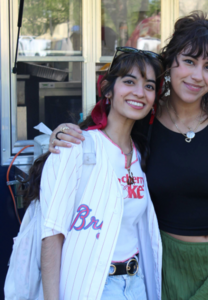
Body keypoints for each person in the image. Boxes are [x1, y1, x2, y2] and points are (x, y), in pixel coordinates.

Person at [49, 12, 208, 300]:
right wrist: (64, 131)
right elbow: (105, 133)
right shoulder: (144, 118)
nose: (197, 76)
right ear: (169, 63)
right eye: (188, 61)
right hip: (169, 266)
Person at [25, 48, 164, 300]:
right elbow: (52, 236)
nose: (139, 92)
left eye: (149, 86)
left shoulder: (141, 155)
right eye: (129, 81)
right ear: (108, 90)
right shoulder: (76, 147)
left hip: (136, 284)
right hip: (92, 287)